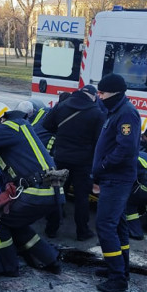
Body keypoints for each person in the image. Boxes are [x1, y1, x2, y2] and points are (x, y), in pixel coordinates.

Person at [0, 102, 63, 277]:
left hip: (38, 190)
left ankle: (5, 267)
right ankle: (49, 259)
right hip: (49, 189)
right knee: (15, 223)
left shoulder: (11, 126)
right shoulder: (18, 129)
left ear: (1, 119)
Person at [91, 73, 141, 292]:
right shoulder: (115, 110)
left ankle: (117, 277)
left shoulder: (126, 113)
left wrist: (103, 166)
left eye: (102, 93)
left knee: (105, 225)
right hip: (113, 177)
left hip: (116, 178)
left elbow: (126, 148)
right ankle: (120, 268)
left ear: (115, 93)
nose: (99, 96)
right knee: (118, 224)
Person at [42, 84, 105, 240]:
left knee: (56, 193)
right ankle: (82, 232)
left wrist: (62, 134)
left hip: (61, 157)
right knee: (81, 197)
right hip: (83, 162)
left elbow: (46, 124)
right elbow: (99, 141)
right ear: (93, 96)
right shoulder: (97, 113)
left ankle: (51, 229)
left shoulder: (62, 105)